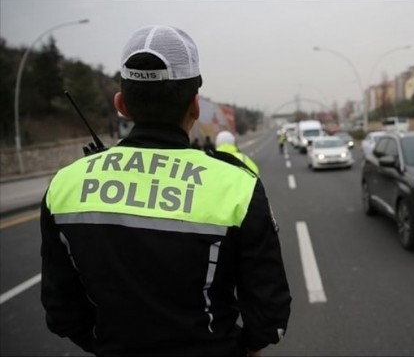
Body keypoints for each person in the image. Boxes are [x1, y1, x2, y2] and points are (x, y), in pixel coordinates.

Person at [40, 25, 291, 357]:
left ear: (121, 104)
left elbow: (62, 313)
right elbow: (269, 317)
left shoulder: (64, 186)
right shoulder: (237, 186)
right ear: (195, 105)